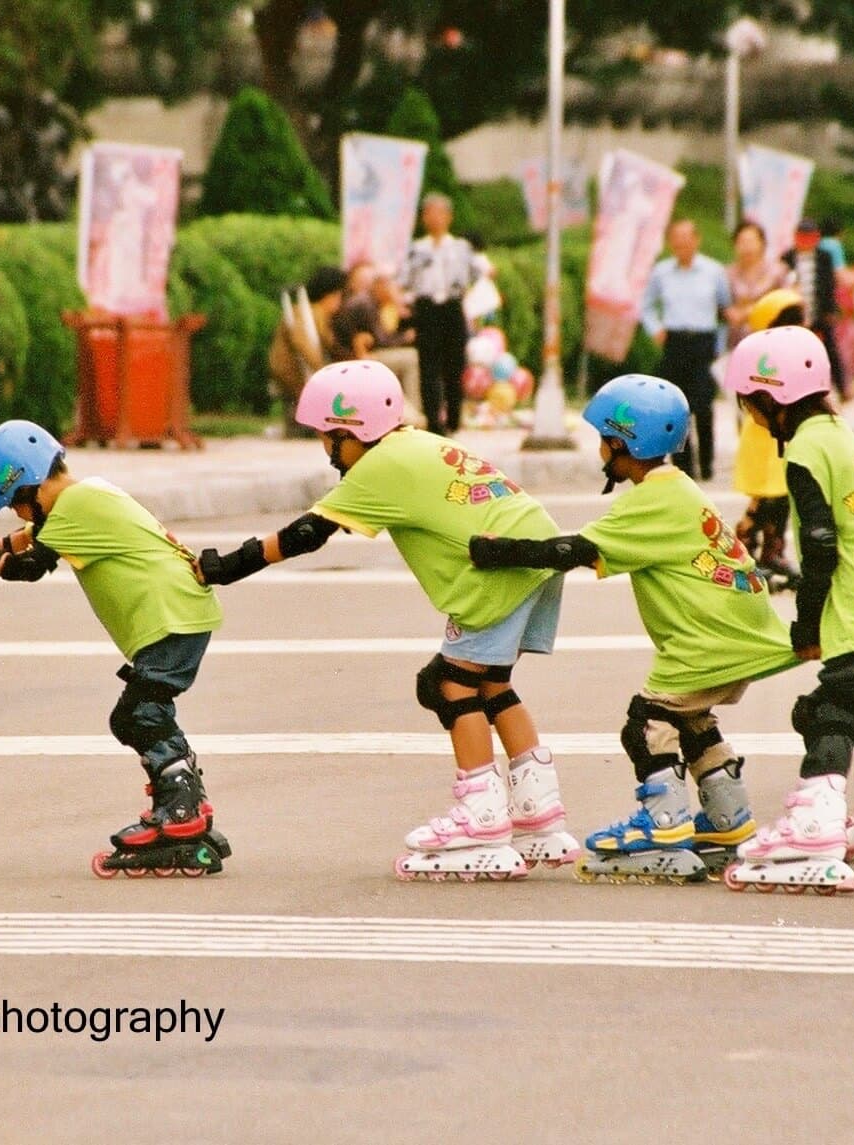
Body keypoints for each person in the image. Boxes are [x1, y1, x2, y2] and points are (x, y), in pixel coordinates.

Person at [196, 360, 581, 881]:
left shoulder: (379, 467)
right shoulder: (416, 443)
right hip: (532, 553)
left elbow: (307, 533)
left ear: (351, 433)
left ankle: (481, 817)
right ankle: (538, 809)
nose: (326, 451)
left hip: (495, 565)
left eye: (327, 438)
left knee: (451, 684)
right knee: (492, 683)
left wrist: (224, 567)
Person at [469, 374, 796, 884]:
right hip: (739, 635)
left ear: (622, 442)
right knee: (692, 721)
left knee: (645, 722)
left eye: (604, 437)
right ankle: (729, 820)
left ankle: (662, 824)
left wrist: (499, 551)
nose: (600, 447)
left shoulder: (652, 499)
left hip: (708, 641)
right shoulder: (678, 488)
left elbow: (571, 552)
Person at [0, 421, 232, 877]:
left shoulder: (75, 505)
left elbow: (28, 565)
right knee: (145, 711)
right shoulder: (83, 499)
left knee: (138, 715)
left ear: (30, 480)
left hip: (171, 617)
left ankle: (181, 806)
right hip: (178, 614)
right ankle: (184, 797)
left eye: (17, 503)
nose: (20, 515)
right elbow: (18, 544)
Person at [720, 325, 854, 894]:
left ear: (770, 399)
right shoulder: (836, 433)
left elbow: (818, 543)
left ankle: (813, 827)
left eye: (750, 405)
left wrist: (806, 624)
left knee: (828, 711)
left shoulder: (804, 451)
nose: (751, 416)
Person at [640, 218, 731, 479]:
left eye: (685, 238)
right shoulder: (662, 272)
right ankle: (684, 466)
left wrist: (720, 343)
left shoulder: (713, 271)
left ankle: (707, 463)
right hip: (675, 341)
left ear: (696, 240)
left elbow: (724, 309)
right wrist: (654, 328)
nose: (681, 244)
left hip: (704, 342)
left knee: (703, 405)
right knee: (676, 407)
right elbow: (646, 304)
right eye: (675, 240)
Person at [731, 289, 807, 589]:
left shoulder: (800, 353)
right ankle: (743, 552)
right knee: (763, 499)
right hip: (764, 434)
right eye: (788, 321)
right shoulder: (760, 358)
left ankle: (773, 552)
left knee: (783, 496)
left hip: (784, 434)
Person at [400, 193, 480, 432]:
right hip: (426, 308)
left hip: (452, 306)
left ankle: (454, 416)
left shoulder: (460, 247)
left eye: (440, 213)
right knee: (429, 365)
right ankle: (433, 420)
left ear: (449, 217)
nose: (435, 218)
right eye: (430, 213)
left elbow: (475, 274)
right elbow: (405, 279)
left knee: (455, 363)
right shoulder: (416, 249)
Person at [333, 263, 424, 427]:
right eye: (389, 286)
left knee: (408, 358)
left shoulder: (370, 302)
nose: (392, 291)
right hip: (356, 358)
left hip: (361, 354)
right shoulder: (364, 304)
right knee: (411, 358)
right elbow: (382, 341)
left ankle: (411, 415)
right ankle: (415, 415)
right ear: (380, 286)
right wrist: (405, 337)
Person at [267, 265, 346, 439]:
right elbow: (303, 344)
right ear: (330, 295)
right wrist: (323, 372)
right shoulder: (303, 313)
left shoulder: (317, 315)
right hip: (292, 375)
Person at [782, 219, 847, 399]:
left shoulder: (824, 257)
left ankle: (842, 387)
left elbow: (829, 285)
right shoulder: (787, 258)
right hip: (796, 314)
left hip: (820, 311)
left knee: (829, 350)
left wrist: (830, 310)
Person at [723, 220, 787, 348]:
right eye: (742, 242)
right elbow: (721, 303)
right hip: (737, 341)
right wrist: (728, 312)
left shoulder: (778, 271)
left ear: (762, 243)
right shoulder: (727, 273)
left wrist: (748, 312)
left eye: (751, 241)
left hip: (770, 338)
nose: (747, 247)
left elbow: (786, 302)